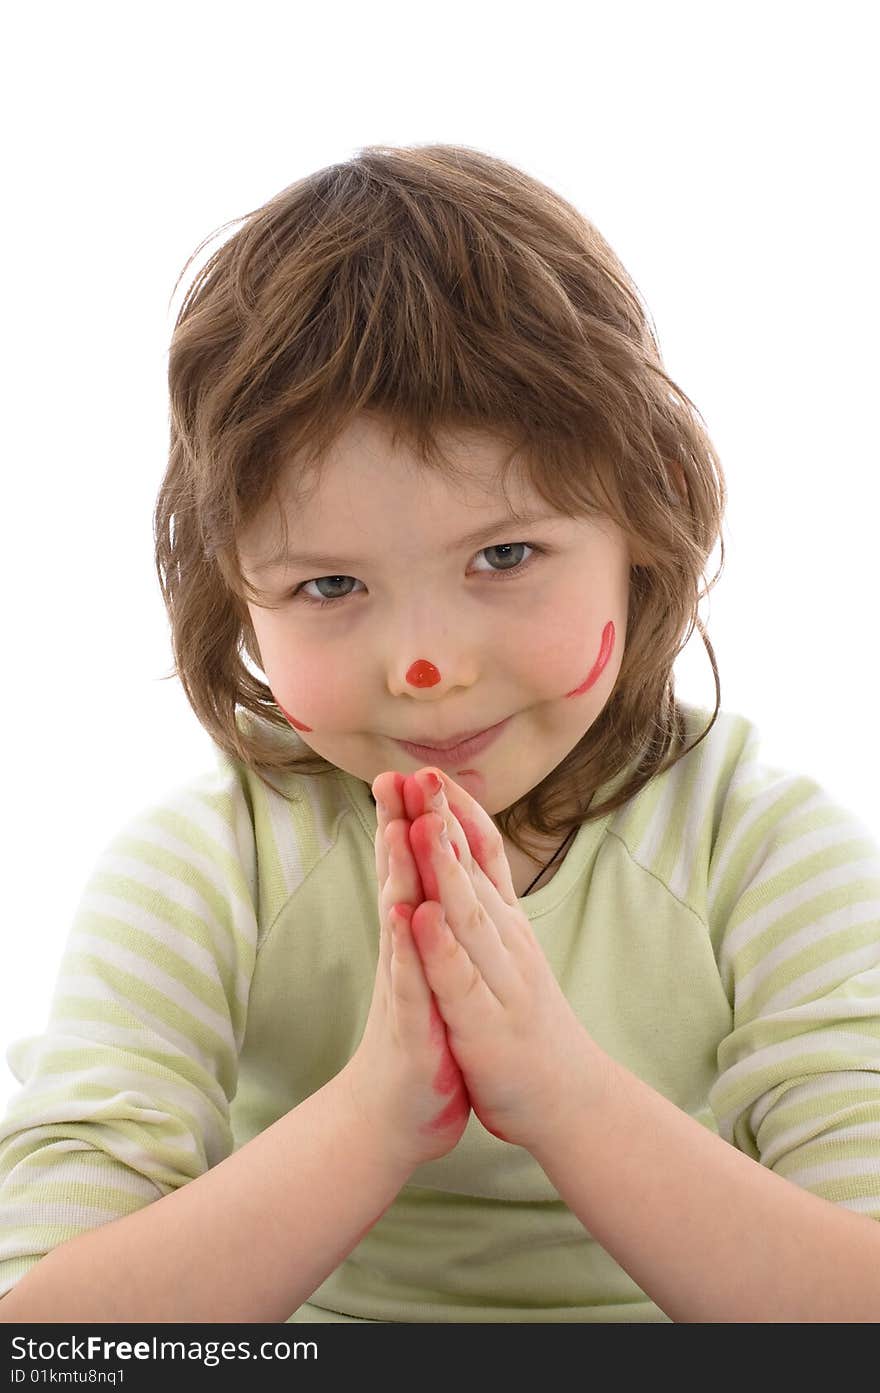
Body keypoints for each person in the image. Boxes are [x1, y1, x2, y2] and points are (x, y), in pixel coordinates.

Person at [1, 144, 879, 1325]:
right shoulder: (201, 869)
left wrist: (558, 1090)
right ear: (235, 587)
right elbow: (53, 1341)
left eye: (502, 556)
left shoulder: (761, 848)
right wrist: (379, 1113)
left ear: (645, 505)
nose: (430, 669)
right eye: (328, 586)